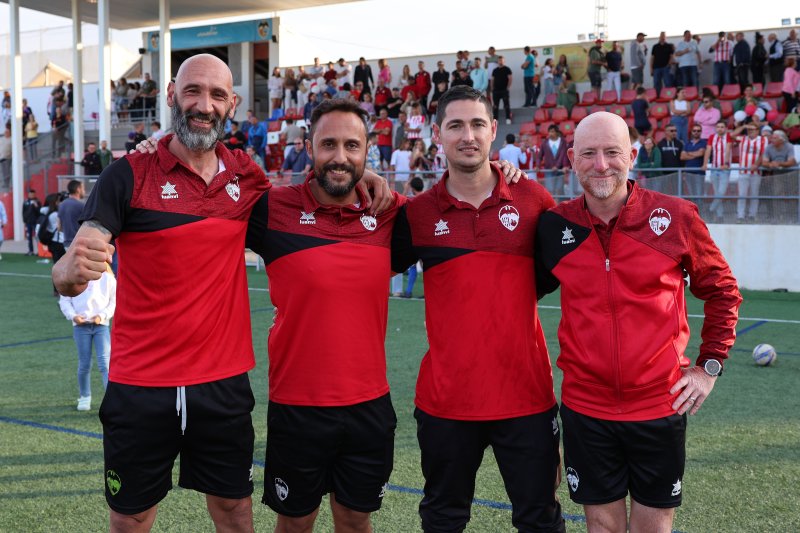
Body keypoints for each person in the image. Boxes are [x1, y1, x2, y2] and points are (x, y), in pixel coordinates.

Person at [52, 53, 275, 533]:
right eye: (193, 91)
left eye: (217, 95)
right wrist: (67, 271)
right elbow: (77, 262)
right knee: (131, 518)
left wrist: (369, 180)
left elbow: (310, 207)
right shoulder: (128, 174)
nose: (204, 104)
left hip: (223, 384)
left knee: (236, 512)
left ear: (232, 103)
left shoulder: (247, 179)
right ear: (172, 94)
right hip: (140, 387)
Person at [535, 111, 741, 533]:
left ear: (632, 155)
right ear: (572, 159)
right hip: (585, 407)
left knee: (652, 529)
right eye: (589, 154)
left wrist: (709, 367)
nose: (601, 165)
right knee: (602, 527)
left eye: (612, 152)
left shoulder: (676, 216)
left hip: (657, 406)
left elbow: (722, 291)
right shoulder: (555, 226)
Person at [391, 86, 565, 533]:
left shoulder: (533, 201)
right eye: (455, 125)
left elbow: (556, 273)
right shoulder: (419, 214)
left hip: (525, 398)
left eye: (476, 124)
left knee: (540, 521)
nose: (467, 135)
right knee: (443, 520)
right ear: (437, 134)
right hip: (447, 401)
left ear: (493, 131)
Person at [59, 265, 115, 411]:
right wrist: (73, 316)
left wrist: (101, 316)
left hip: (100, 326)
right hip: (80, 327)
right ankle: (85, 397)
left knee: (105, 364)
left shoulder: (108, 279)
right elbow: (64, 300)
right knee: (84, 363)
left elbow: (113, 302)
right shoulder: (72, 277)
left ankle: (112, 399)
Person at [735, 123, 768, 222]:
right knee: (742, 194)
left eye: (753, 129)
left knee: (754, 194)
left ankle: (752, 215)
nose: (750, 131)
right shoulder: (743, 138)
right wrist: (743, 126)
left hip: (756, 171)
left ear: (758, 130)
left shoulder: (763, 139)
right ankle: (740, 215)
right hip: (743, 171)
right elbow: (731, 135)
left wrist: (756, 164)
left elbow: (763, 153)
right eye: (749, 130)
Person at [702, 120, 733, 222]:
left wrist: (726, 163)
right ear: (716, 128)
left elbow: (728, 150)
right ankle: (720, 216)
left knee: (721, 192)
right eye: (718, 127)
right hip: (714, 168)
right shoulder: (712, 137)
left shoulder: (728, 136)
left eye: (722, 127)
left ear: (725, 128)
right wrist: (705, 163)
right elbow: (708, 150)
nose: (720, 128)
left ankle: (710, 209)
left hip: (724, 169)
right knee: (717, 193)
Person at [536, 124, 570, 199]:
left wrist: (559, 166)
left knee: (560, 190)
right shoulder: (544, 143)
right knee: (550, 190)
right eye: (549, 132)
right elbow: (539, 156)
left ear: (557, 132)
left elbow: (564, 155)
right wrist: (538, 165)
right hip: (549, 170)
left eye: (552, 132)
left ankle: (561, 207)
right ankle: (550, 207)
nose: (550, 134)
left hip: (560, 170)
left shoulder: (562, 141)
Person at [680, 124, 708, 203]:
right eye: (694, 131)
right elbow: (682, 157)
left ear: (701, 132)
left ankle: (700, 213)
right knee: (691, 195)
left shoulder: (704, 143)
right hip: (688, 172)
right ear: (691, 132)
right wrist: (695, 154)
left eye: (698, 131)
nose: (696, 132)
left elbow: (701, 153)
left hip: (699, 172)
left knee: (699, 195)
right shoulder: (687, 143)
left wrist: (688, 153)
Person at [58, 180, 86, 248]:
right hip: (80, 243)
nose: (84, 191)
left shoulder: (62, 204)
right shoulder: (81, 205)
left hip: (67, 243)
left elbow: (59, 226)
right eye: (83, 188)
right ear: (78, 189)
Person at [490, 55, 513, 124]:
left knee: (506, 105)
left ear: (504, 61)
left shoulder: (507, 69)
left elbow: (510, 78)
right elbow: (492, 80)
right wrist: (492, 88)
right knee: (495, 106)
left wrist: (508, 87)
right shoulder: (495, 70)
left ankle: (508, 119)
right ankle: (496, 120)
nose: (500, 61)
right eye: (499, 60)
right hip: (496, 91)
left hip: (504, 90)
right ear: (497, 61)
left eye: (502, 60)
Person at [23, 189, 42, 255]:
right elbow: (23, 212)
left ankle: (40, 251)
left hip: (35, 222)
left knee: (37, 237)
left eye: (33, 194)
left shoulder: (37, 202)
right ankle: (31, 251)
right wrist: (24, 221)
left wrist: (36, 206)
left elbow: (40, 211)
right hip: (28, 222)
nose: (31, 195)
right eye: (30, 194)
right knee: (29, 237)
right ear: (28, 194)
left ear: (34, 194)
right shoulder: (25, 202)